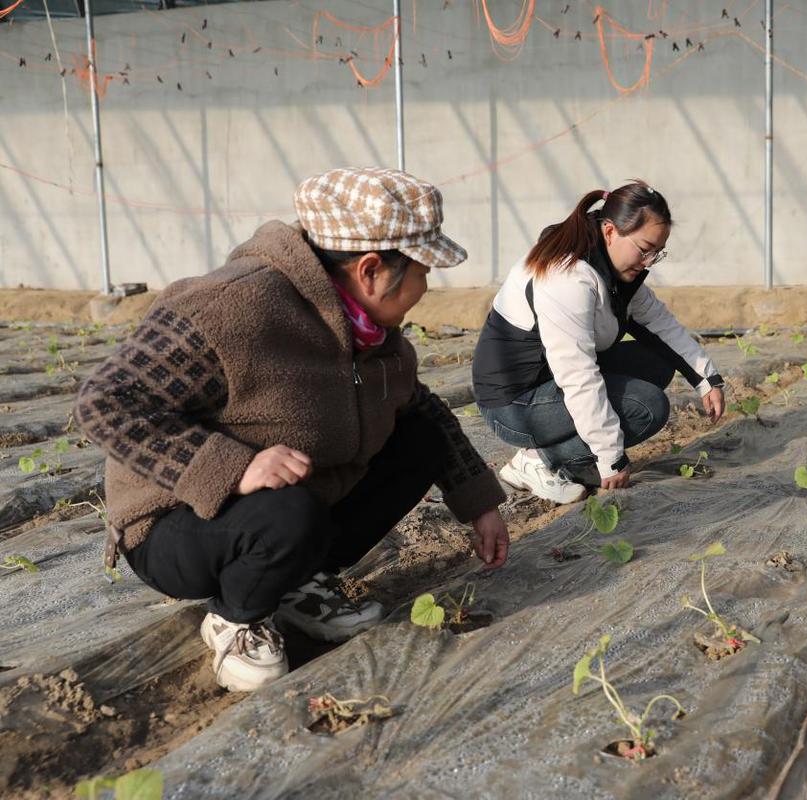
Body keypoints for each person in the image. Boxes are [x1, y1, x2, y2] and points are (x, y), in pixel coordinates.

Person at [74, 168, 510, 692]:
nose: (424, 287)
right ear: (371, 270)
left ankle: (296, 580)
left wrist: (480, 502)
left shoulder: (374, 337)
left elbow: (424, 409)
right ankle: (236, 616)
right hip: (176, 526)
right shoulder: (230, 308)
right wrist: (235, 467)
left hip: (292, 505)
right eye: (421, 271)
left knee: (419, 439)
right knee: (289, 514)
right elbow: (106, 403)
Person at [471, 180, 725, 503]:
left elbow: (658, 322)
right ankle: (538, 463)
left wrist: (707, 378)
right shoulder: (568, 277)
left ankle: (553, 454)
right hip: (513, 403)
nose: (648, 262)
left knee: (657, 362)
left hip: (549, 382)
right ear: (610, 231)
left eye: (657, 253)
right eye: (644, 249)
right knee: (647, 408)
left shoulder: (611, 266)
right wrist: (610, 457)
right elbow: (577, 375)